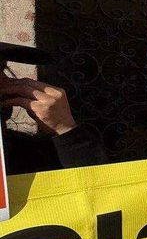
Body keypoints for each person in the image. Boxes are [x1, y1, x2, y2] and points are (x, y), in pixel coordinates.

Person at [0, 41, 106, 174]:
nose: (4, 80)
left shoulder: (24, 153)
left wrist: (64, 129)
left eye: (1, 68)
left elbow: (97, 182)